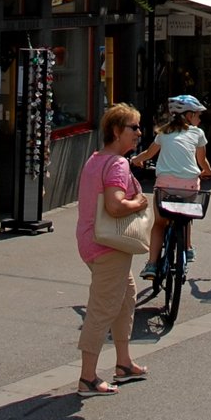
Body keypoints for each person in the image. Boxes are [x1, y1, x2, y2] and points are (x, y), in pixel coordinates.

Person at [75, 102, 150, 396]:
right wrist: (139, 203)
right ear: (117, 131)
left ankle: (123, 362)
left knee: (126, 297)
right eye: (134, 127)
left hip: (91, 241)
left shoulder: (96, 158)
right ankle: (87, 378)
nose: (139, 133)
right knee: (102, 308)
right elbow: (115, 205)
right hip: (108, 245)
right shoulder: (118, 163)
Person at [136, 94, 211, 279]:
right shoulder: (197, 134)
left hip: (165, 187)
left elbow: (148, 154)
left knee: (159, 224)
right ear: (188, 116)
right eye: (197, 114)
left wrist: (136, 159)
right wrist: (208, 171)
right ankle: (187, 249)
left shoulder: (163, 133)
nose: (199, 118)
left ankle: (152, 265)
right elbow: (201, 161)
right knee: (185, 217)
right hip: (189, 186)